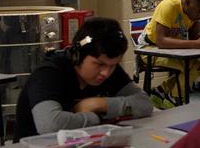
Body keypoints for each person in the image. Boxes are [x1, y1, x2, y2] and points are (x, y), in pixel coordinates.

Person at [14, 17, 152, 140]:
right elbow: (50, 125)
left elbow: (145, 104)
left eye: (113, 65)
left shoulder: (108, 68)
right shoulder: (49, 73)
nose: (105, 73)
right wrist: (97, 117)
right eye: (99, 64)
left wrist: (100, 104)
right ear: (77, 55)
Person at [139, 0, 200, 109]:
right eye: (199, 12)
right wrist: (195, 44)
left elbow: (195, 36)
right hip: (149, 50)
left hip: (174, 50)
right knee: (189, 65)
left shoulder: (192, 14)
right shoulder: (169, 6)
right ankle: (175, 98)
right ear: (187, 2)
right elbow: (161, 41)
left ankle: (161, 91)